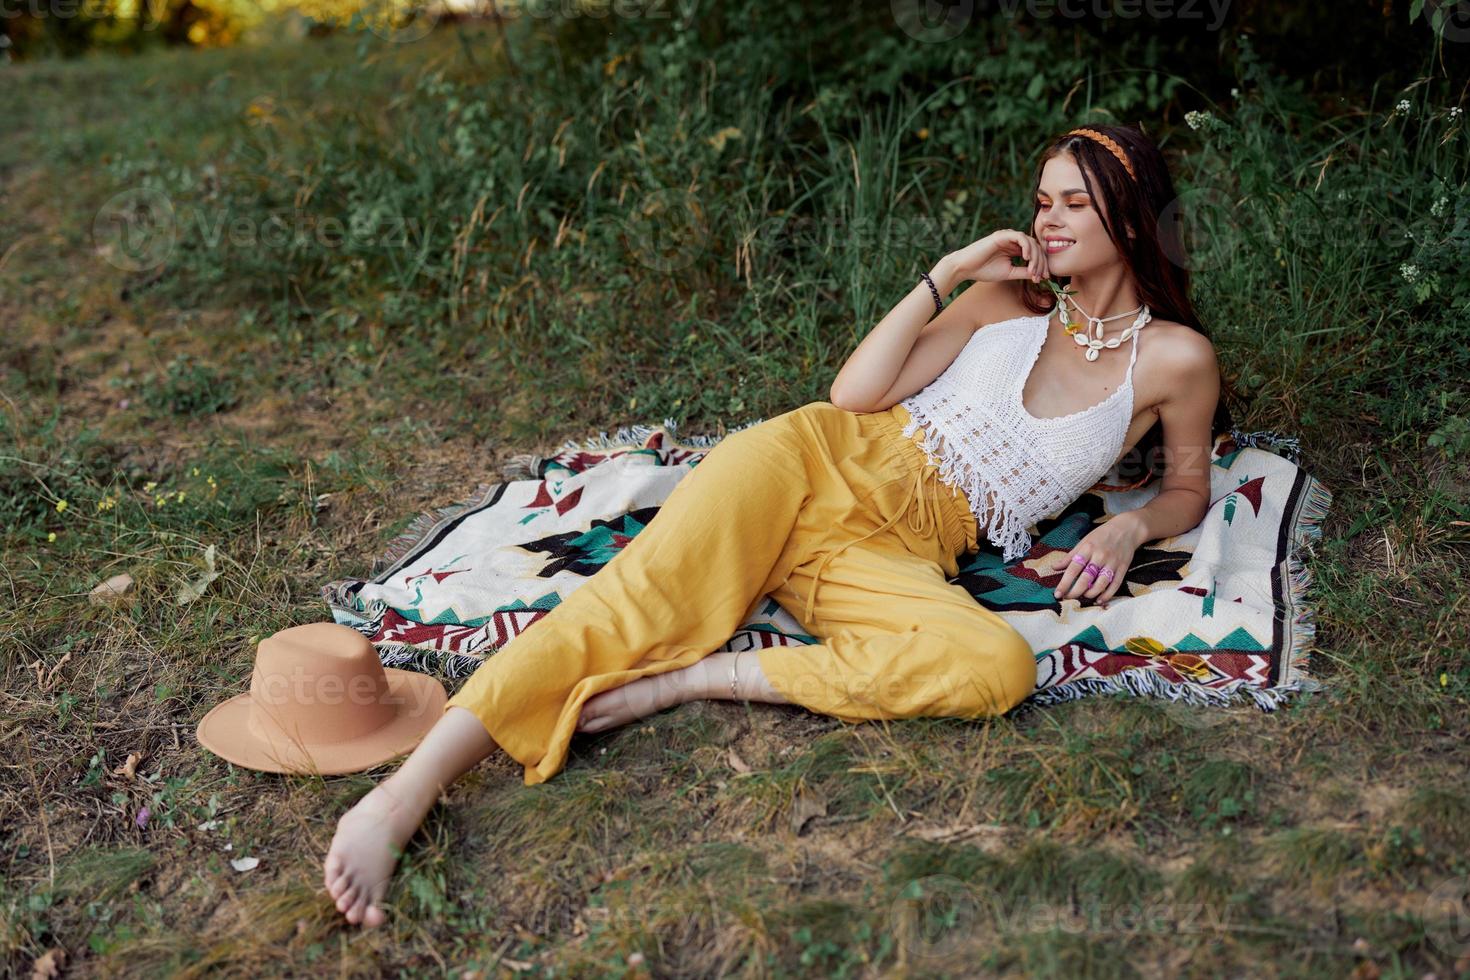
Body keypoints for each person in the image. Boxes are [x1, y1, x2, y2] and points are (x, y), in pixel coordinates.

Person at [323, 122, 1227, 928]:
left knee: (994, 668)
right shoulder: (1005, 305)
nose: (1047, 220)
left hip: (896, 549)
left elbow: (1187, 492)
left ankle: (697, 678)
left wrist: (1127, 529)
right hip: (812, 460)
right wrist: (948, 274)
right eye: (1041, 201)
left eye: (1074, 201)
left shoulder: (1178, 361)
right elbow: (855, 394)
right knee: (632, 602)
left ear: (1135, 218)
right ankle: (403, 797)